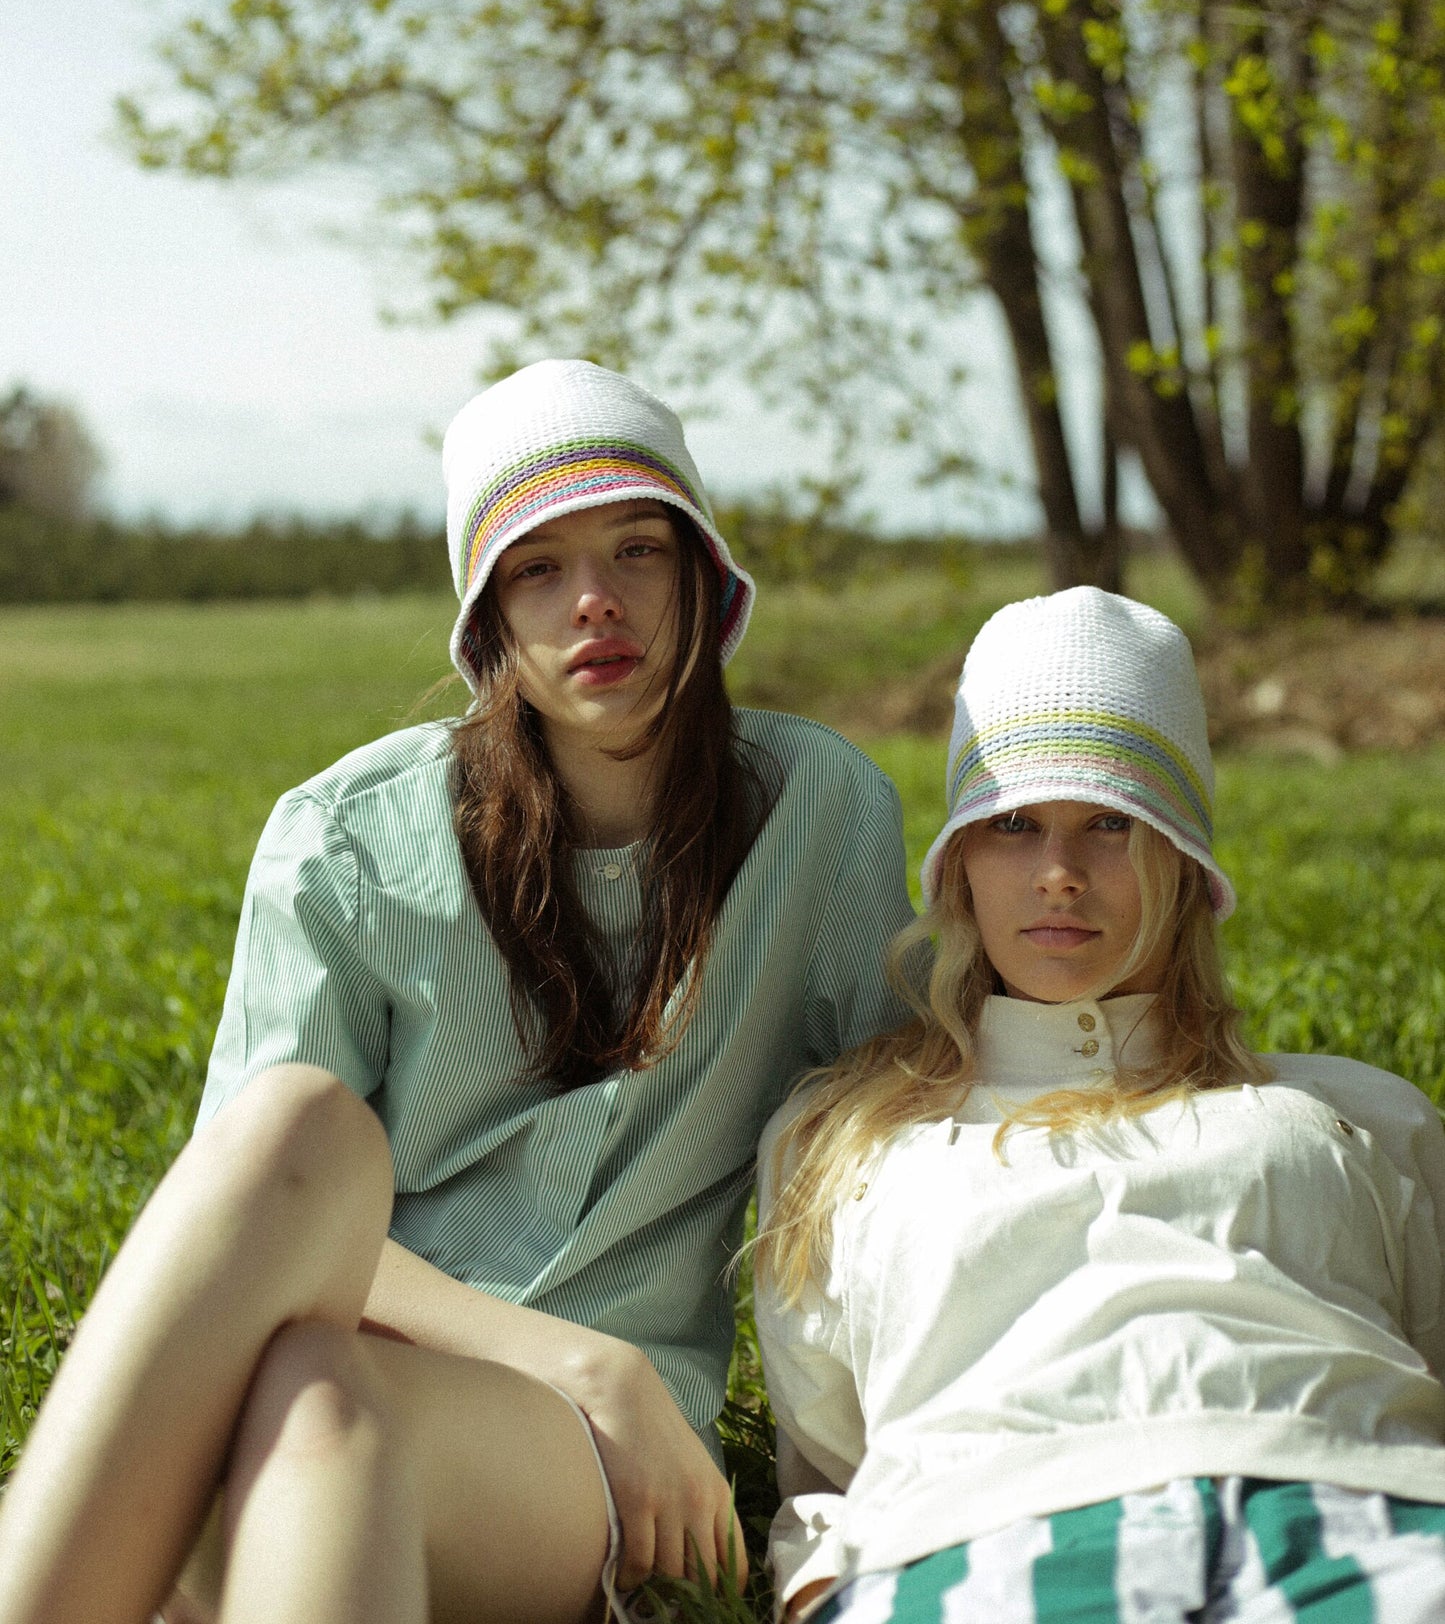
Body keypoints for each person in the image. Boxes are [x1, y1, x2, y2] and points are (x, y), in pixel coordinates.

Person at [0, 360, 915, 1624]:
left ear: (705, 579)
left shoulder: (820, 811)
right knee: (287, 1139)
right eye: (536, 567)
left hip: (554, 1459)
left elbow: (892, 1159)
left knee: (326, 1404)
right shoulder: (346, 836)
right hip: (389, 1373)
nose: (593, 599)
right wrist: (577, 1357)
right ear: (487, 619)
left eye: (636, 547)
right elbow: (249, 1230)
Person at [755, 587, 1445, 1624]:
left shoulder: (1354, 1115)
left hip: (1356, 1506)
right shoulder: (852, 1142)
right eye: (1013, 824)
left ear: (1182, 858)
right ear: (959, 867)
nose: (1058, 873)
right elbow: (825, 1460)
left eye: (1109, 823)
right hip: (984, 1540)